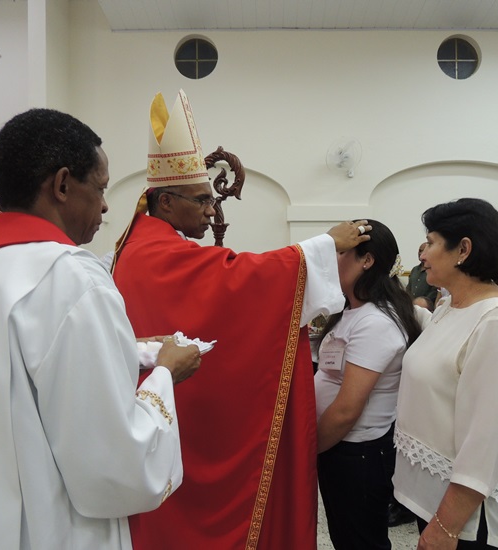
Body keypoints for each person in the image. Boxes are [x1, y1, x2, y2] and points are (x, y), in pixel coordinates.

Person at [0, 108, 202, 550]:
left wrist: (124, 350)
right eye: (101, 188)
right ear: (61, 185)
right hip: (49, 531)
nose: (106, 205)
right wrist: (165, 374)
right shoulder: (72, 277)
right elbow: (116, 464)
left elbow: (15, 384)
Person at [112, 90, 372, 550]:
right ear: (166, 202)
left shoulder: (144, 244)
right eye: (201, 200)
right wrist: (324, 245)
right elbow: (235, 279)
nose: (212, 210)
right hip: (178, 416)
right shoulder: (155, 251)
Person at [394, 198, 498, 550]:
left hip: (469, 518)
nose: (423, 255)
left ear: (463, 249)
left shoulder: (497, 322)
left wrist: (445, 526)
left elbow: (488, 440)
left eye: (431, 243)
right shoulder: (450, 306)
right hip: (436, 495)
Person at [315, 220, 422, 549]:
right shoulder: (352, 311)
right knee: (347, 537)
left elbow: (347, 409)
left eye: (339, 252)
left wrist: (307, 448)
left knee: (360, 541)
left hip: (357, 451)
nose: (332, 260)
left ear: (367, 260)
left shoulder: (376, 321)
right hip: (341, 448)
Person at [406, 242, 438, 308]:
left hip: (426, 308)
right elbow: (408, 288)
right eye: (420, 250)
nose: (420, 253)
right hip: (411, 306)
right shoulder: (415, 269)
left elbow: (434, 291)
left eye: (423, 251)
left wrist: (421, 303)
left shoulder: (433, 270)